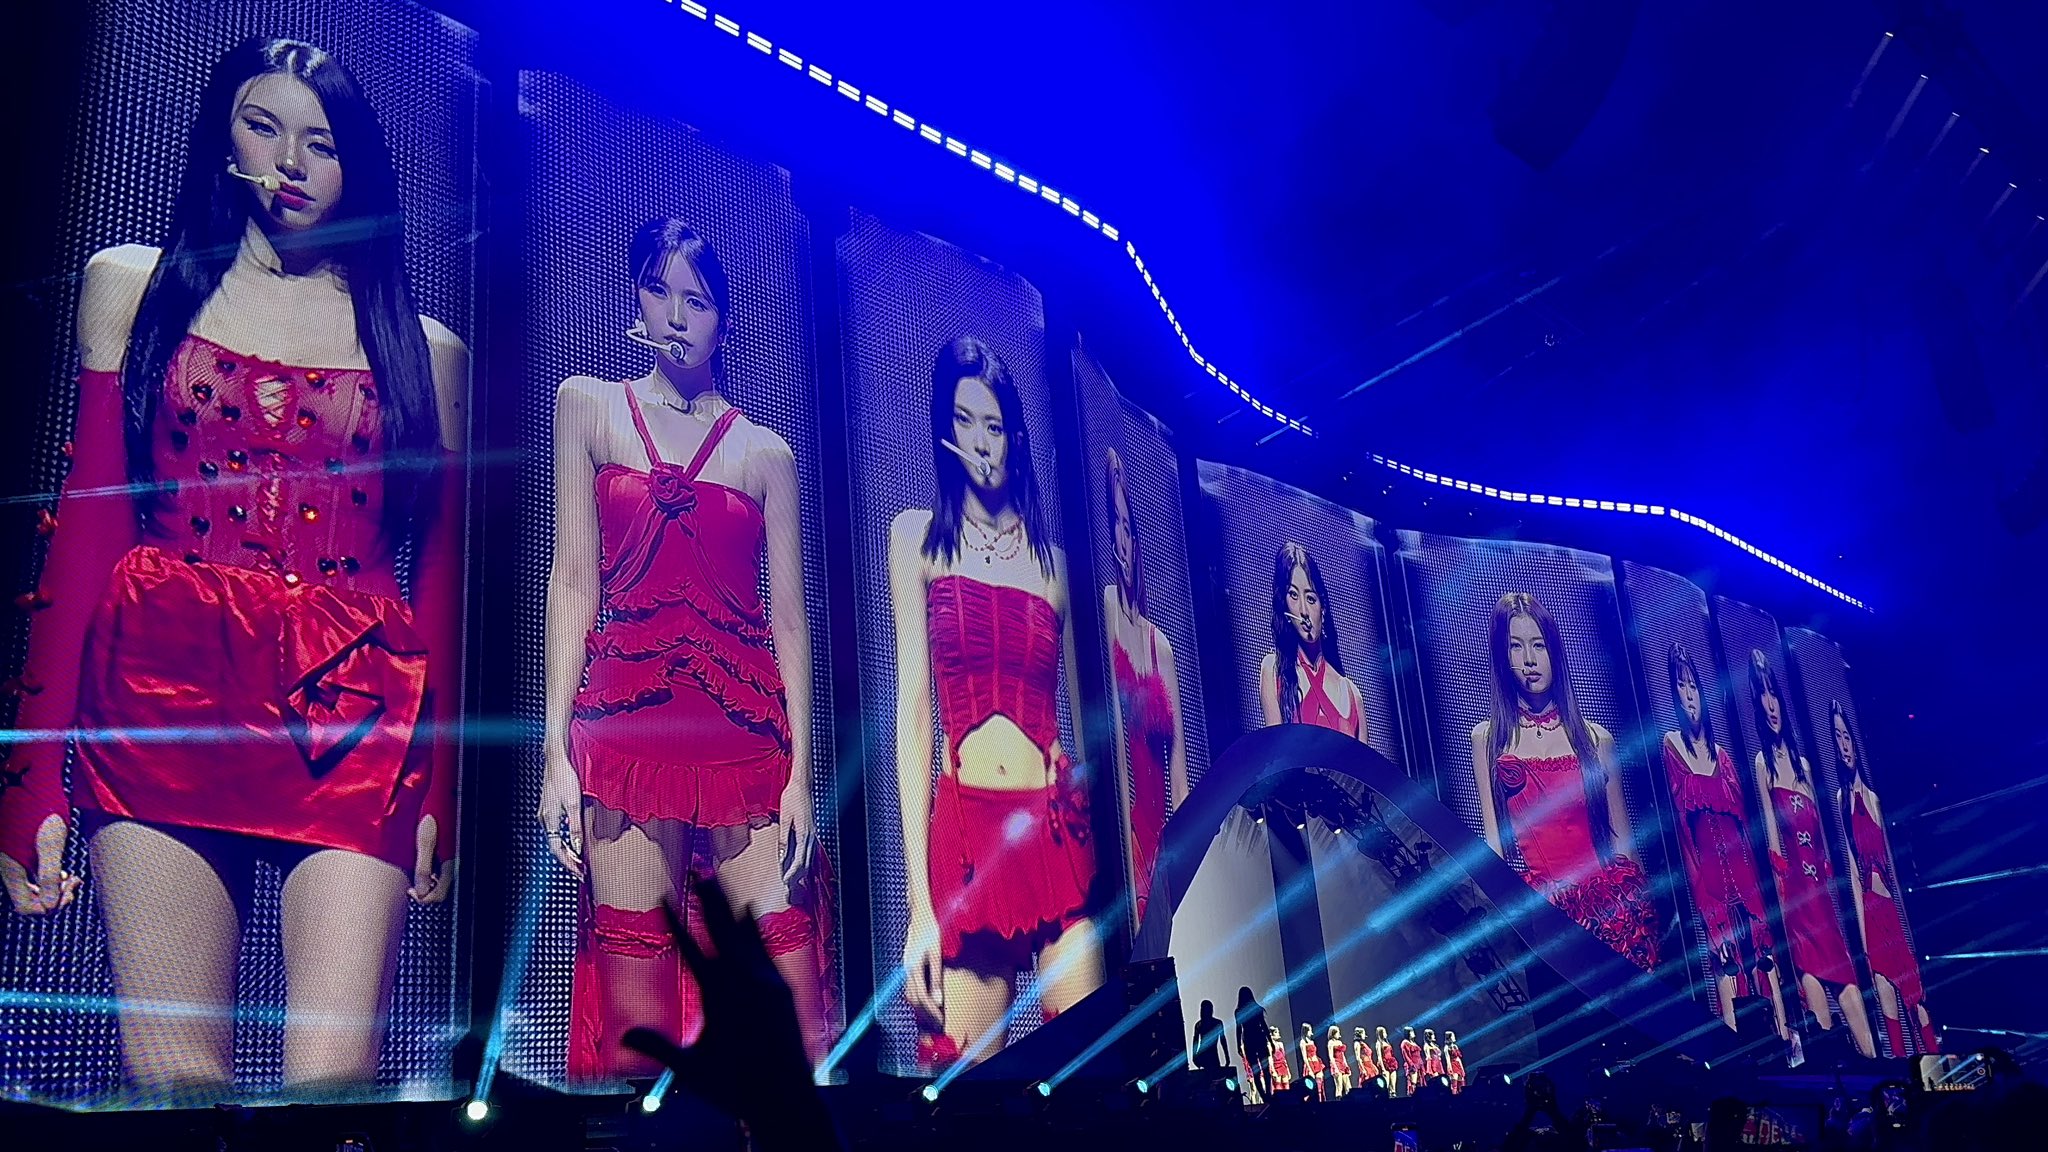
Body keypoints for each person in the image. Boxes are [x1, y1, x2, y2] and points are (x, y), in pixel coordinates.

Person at [0, 37, 465, 1099]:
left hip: (350, 715)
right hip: (161, 691)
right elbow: (85, 536)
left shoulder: (424, 347)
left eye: (322, 143)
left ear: (356, 166)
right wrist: (29, 778)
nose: (291, 163)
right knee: (178, 1085)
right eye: (265, 127)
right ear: (224, 135)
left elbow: (436, 582)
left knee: (331, 1085)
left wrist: (438, 781)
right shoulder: (132, 286)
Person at [540, 218, 831, 1079]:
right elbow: (572, 580)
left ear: (724, 322)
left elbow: (789, 621)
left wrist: (802, 773)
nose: (675, 315)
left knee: (790, 1022)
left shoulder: (766, 453)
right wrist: (553, 753)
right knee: (642, 1032)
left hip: (745, 743)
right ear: (636, 297)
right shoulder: (588, 405)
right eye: (659, 290)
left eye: (696, 300)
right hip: (625, 737)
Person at [891, 337, 1100, 1070]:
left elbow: (1089, 725)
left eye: (995, 424)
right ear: (944, 429)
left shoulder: (1056, 565)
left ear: (1014, 434)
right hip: (967, 841)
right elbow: (914, 716)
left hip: (1055, 836)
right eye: (964, 420)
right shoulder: (916, 539)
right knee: (967, 1099)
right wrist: (919, 907)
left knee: (1090, 1084)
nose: (982, 442)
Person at [1469, 592, 1658, 970]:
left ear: (1554, 650)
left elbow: (1623, 844)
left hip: (1607, 912)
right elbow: (1494, 846)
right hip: (1540, 914)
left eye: (1538, 645)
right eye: (1516, 646)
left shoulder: (1596, 739)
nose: (1529, 659)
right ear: (1502, 657)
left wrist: (1641, 926)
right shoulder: (1488, 739)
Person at [1748, 653, 1874, 1058]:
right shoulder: (1763, 764)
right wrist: (1782, 898)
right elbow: (1771, 837)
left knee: (1849, 985)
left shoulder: (1803, 765)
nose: (1770, 704)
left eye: (1773, 693)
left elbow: (1821, 837)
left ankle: (1873, 1063)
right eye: (1762, 695)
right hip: (1794, 897)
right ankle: (1829, 1066)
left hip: (1821, 893)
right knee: (1815, 998)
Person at [1662, 644, 1786, 1037]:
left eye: (1693, 686)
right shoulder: (1671, 746)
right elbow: (1682, 829)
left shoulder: (1724, 757)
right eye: (1681, 687)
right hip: (1709, 877)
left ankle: (1787, 1039)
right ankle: (1735, 1044)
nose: (1689, 695)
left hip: (1743, 873)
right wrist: (1698, 885)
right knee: (1725, 961)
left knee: (1765, 956)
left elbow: (1746, 829)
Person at [1101, 447, 1189, 928]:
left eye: (1127, 524)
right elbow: (1114, 751)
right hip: (1127, 834)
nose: (1121, 537)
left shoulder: (1161, 646)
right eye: (1113, 523)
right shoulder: (1107, 611)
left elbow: (1179, 773)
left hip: (1165, 839)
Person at [1836, 701, 1937, 1055]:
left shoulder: (1874, 799)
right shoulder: (1842, 799)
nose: (1844, 746)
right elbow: (1852, 870)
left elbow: (1892, 864)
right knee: (1886, 1000)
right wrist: (1864, 940)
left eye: (1847, 737)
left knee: (1915, 999)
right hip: (1870, 911)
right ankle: (1900, 1069)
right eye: (1837, 738)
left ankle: (1933, 1061)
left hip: (1891, 911)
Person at [1258, 542, 1369, 742]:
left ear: (1322, 609)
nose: (1304, 611)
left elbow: (1364, 763)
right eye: (1293, 595)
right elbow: (1276, 755)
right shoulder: (1274, 670)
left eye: (1310, 598)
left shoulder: (1352, 694)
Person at [1234, 987, 1273, 1103]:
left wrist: (1238, 1044)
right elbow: (1264, 1026)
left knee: (1256, 1071)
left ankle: (1264, 1096)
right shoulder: (1257, 1009)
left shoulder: (1239, 1012)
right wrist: (1270, 1041)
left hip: (1249, 1041)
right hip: (1260, 1039)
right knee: (1265, 1069)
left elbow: (1238, 1029)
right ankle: (1268, 1094)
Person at [1190, 999, 1231, 1071]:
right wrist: (1194, 1057)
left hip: (1211, 1054)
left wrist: (1227, 1057)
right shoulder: (1200, 1024)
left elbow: (1223, 1040)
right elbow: (1195, 1041)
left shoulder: (1216, 1023)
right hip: (1205, 1054)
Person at [1298, 1022, 1326, 1101]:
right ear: (1306, 1031)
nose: (1311, 1032)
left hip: (1316, 1063)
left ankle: (1320, 1101)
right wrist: (1309, 1069)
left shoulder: (1312, 1042)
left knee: (1319, 1083)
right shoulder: (1302, 1042)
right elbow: (1304, 1057)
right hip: (1310, 1064)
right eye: (1310, 1030)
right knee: (1312, 1086)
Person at [1326, 1025, 1352, 1099]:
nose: (1339, 1034)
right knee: (1339, 1085)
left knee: (1347, 1084)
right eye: (1337, 1032)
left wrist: (1346, 1065)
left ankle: (1350, 1100)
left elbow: (1343, 1055)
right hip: (1336, 1063)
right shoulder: (1330, 1043)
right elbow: (1331, 1056)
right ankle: (1338, 1100)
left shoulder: (1339, 1042)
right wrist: (1335, 1067)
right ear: (1333, 1033)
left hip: (1342, 1063)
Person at [1375, 1025, 1400, 1097]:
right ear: (1380, 1034)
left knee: (1393, 1082)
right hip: (1385, 1063)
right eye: (1384, 1032)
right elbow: (1379, 1056)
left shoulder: (1387, 1042)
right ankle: (1385, 1096)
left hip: (1391, 1062)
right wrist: (1383, 1068)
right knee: (1386, 1083)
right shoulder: (1378, 1043)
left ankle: (1393, 1093)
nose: (1386, 1034)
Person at [1401, 1027, 1425, 1095]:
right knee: (1413, 1082)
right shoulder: (1405, 1043)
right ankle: (1412, 1095)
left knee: (1420, 1082)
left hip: (1419, 1064)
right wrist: (1411, 1065)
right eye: (1412, 1032)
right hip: (1413, 1065)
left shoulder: (1414, 1043)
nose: (1413, 1033)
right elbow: (1406, 1056)